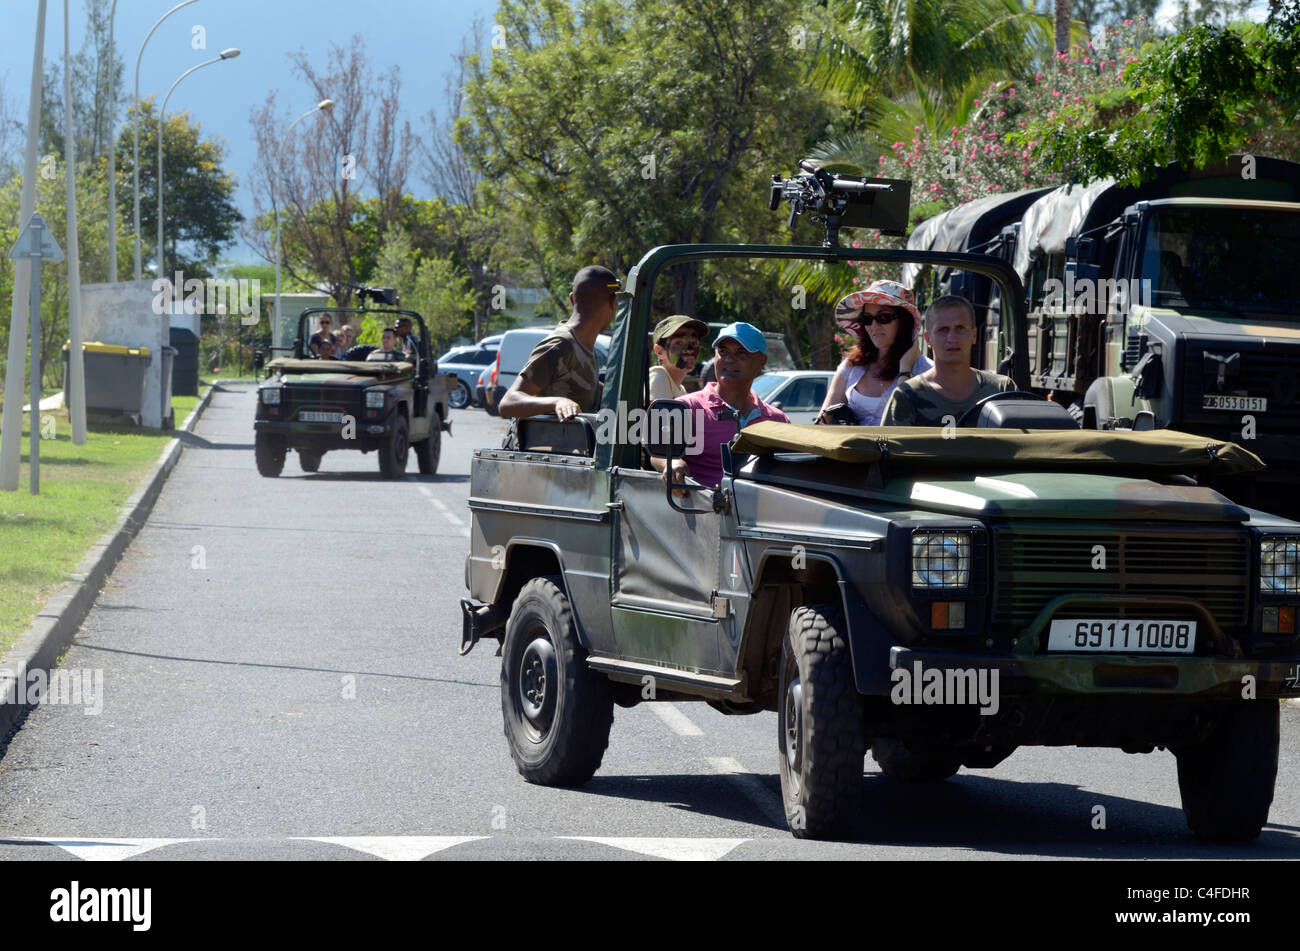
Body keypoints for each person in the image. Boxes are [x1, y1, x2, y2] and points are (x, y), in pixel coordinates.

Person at [652, 322, 789, 492]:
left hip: (760, 515)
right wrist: (672, 463)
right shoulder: (687, 408)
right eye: (723, 352)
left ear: (762, 361)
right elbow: (658, 455)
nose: (729, 359)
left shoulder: (777, 419)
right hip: (703, 513)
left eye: (741, 352)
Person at [498, 265, 621, 421]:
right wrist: (557, 402)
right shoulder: (560, 345)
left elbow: (574, 383)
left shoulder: (584, 346)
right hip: (546, 444)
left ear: (571, 299)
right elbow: (508, 403)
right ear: (613, 302)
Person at [882, 295, 1015, 426]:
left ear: (974, 335)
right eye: (943, 330)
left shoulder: (1001, 389)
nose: (952, 338)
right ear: (928, 339)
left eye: (960, 329)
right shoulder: (907, 396)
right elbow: (888, 446)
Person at [818, 280, 932, 425]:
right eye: (867, 319)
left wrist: (905, 369)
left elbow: (903, 423)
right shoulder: (851, 366)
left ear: (904, 321)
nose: (874, 326)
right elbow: (823, 424)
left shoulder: (925, 370)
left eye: (883, 317)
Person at [648, 314, 707, 402]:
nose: (689, 350)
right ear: (659, 351)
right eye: (679, 343)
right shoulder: (658, 376)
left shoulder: (681, 390)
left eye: (694, 343)